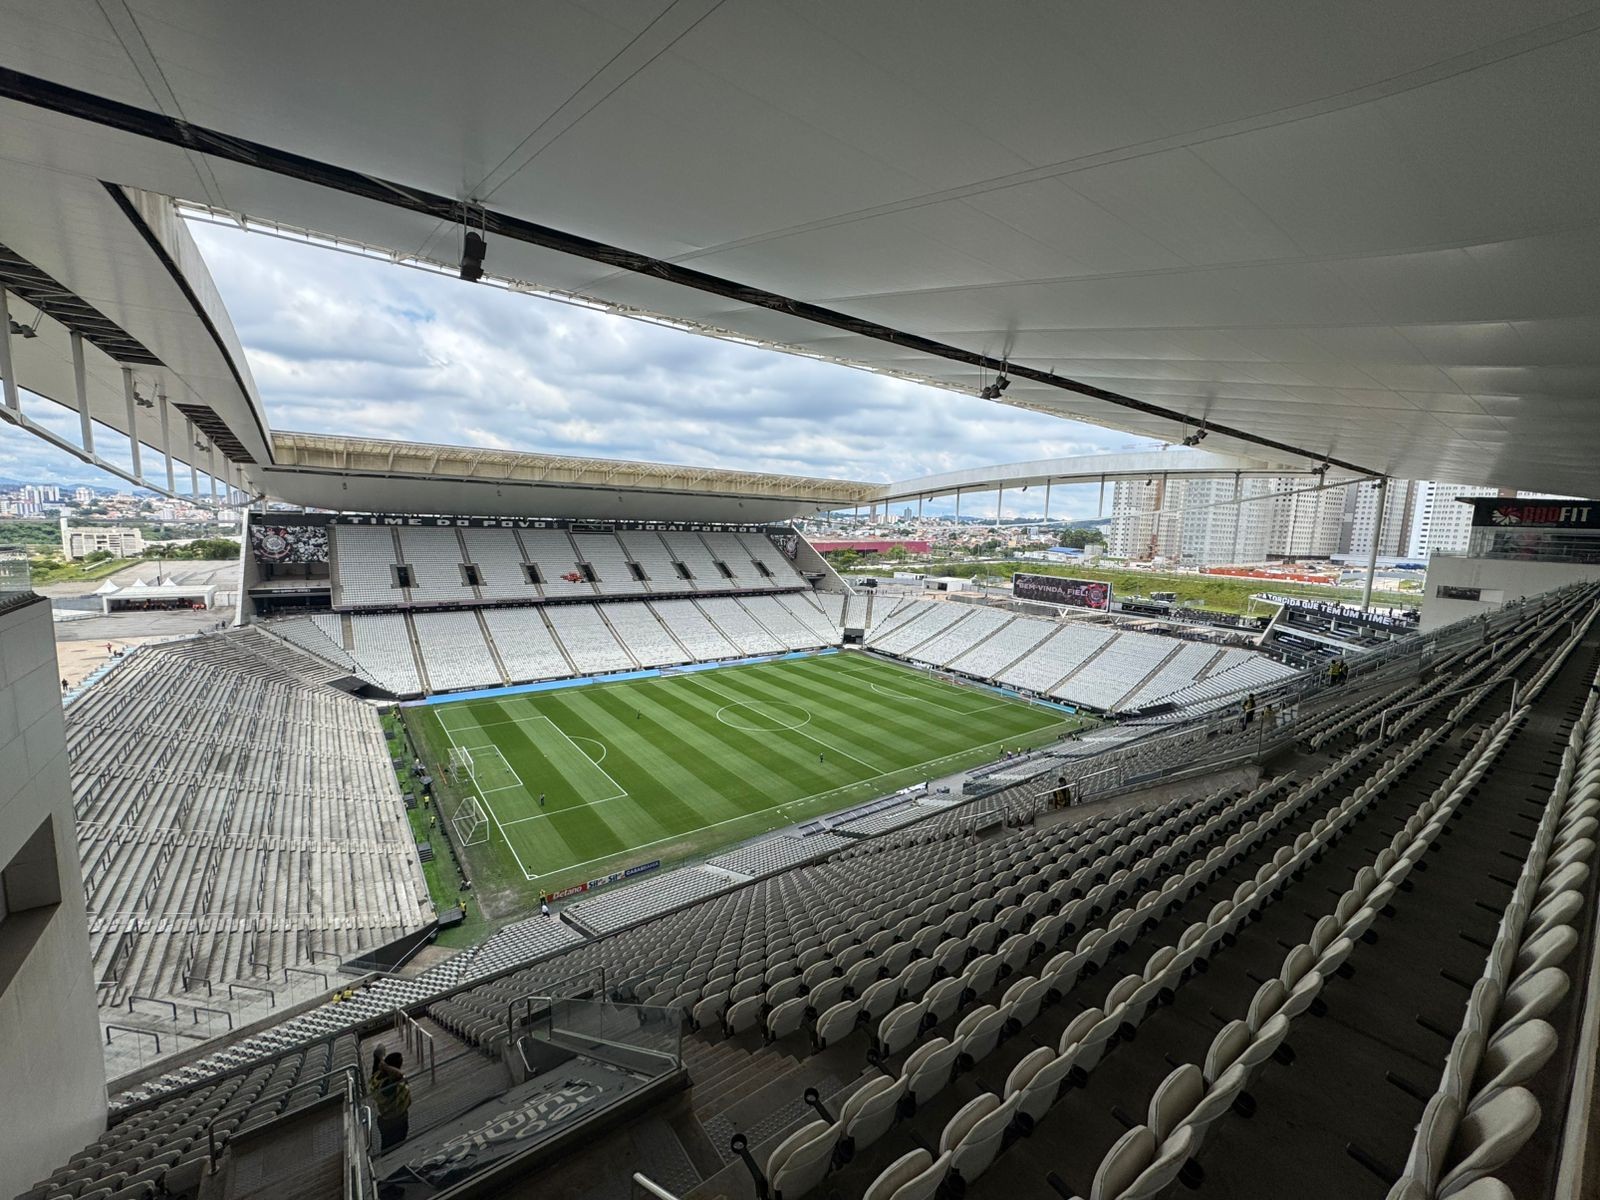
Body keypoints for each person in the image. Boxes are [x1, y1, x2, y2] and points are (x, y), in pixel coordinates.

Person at [369, 1047, 411, 1150]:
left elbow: (378, 1050)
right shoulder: (388, 1085)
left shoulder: (377, 1075)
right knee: (394, 1149)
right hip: (395, 1121)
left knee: (388, 1146)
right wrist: (385, 1066)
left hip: (386, 1119)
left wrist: (382, 1061)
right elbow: (399, 1075)